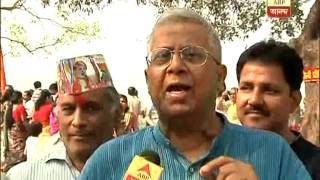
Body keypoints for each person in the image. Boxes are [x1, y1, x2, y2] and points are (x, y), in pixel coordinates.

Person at [80, 8, 311, 180]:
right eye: (162, 56)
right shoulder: (108, 161)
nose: (176, 66)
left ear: (220, 77)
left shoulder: (273, 153)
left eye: (192, 55)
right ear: (147, 80)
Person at [7, 54, 121, 180]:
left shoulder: (140, 171)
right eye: (68, 109)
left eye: (90, 109)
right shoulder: (23, 176)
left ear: (116, 115)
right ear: (56, 116)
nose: (78, 121)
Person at [235, 40, 320, 179]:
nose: (254, 100)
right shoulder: (216, 155)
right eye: (246, 88)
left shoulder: (314, 166)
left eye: (270, 91)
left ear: (294, 100)